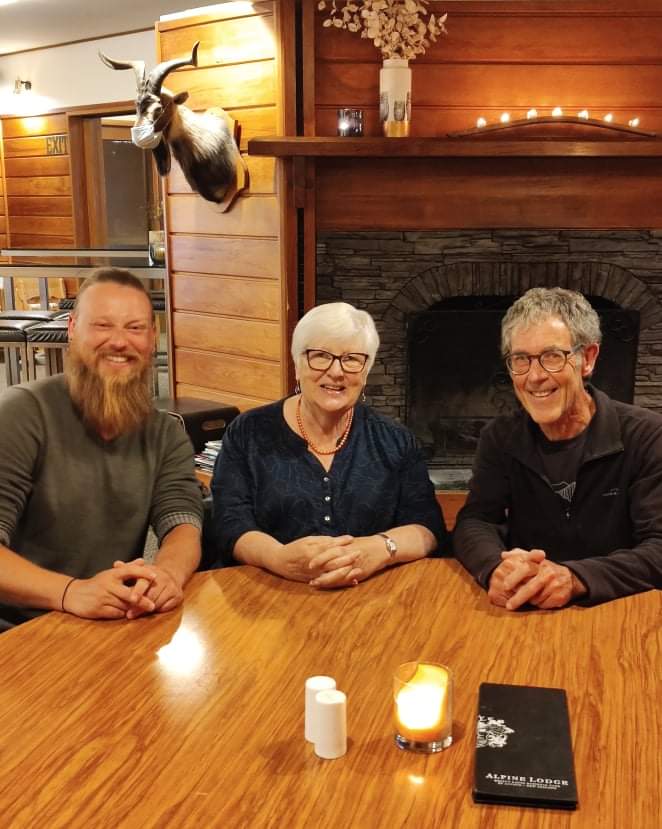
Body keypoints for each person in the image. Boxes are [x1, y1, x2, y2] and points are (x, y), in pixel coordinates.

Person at [0, 268, 202, 627]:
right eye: (103, 325)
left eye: (135, 328)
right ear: (72, 329)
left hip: (111, 621)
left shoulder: (164, 432)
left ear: (152, 336)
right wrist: (71, 592)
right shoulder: (22, 414)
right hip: (17, 629)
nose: (120, 342)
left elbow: (182, 523)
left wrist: (167, 576)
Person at [211, 302, 447, 587]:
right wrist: (277, 557)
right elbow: (229, 522)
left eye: (351, 359)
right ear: (297, 364)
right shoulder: (248, 432)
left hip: (372, 597)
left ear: (366, 371)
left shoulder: (396, 440)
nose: (336, 371)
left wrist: (381, 548)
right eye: (320, 356)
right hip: (268, 592)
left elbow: (428, 526)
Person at [454, 287, 662, 609]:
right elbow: (476, 521)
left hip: (618, 610)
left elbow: (659, 548)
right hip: (525, 607)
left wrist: (576, 577)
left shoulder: (647, 436)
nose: (534, 376)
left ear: (588, 359)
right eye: (520, 359)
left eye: (552, 356)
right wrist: (496, 567)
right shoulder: (499, 437)